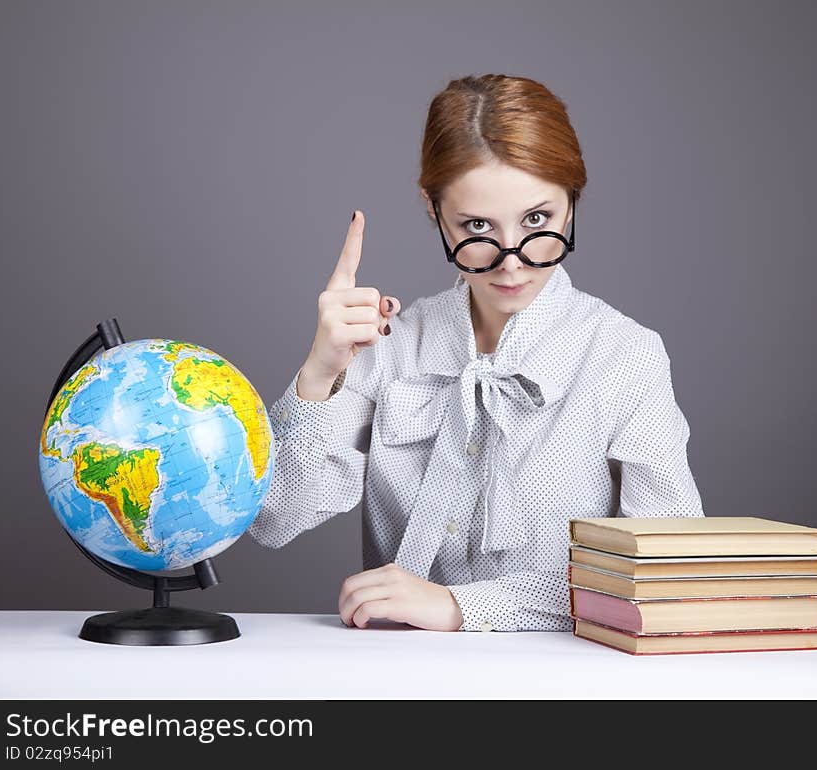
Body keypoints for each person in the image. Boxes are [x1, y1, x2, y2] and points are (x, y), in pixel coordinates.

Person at [248, 73, 705, 633]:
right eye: (477, 226)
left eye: (537, 220)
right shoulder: (391, 346)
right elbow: (274, 519)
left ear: (572, 201)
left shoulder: (624, 355)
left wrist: (463, 607)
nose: (511, 261)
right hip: (397, 677)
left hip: (567, 681)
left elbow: (667, 573)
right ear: (435, 211)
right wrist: (319, 372)